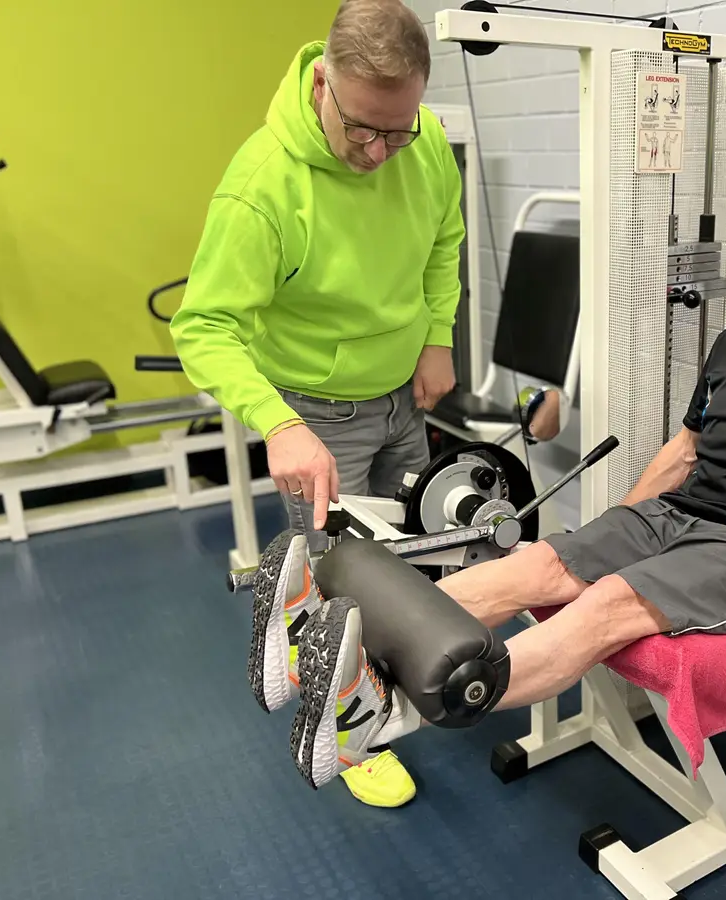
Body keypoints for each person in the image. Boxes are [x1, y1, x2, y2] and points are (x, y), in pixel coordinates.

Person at [277, 194, 726, 794]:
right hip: (675, 516)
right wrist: (619, 526)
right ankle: (332, 657)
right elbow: (684, 451)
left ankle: (388, 713)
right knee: (533, 564)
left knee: (606, 602)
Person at [171, 0, 460, 805]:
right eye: (363, 128)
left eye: (395, 130)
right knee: (338, 579)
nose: (378, 150)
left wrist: (437, 335)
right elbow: (204, 326)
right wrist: (280, 423)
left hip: (404, 391)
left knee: (424, 550)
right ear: (322, 83)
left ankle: (404, 689)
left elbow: (445, 240)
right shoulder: (262, 186)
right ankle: (348, 726)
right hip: (318, 411)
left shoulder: (422, 139)